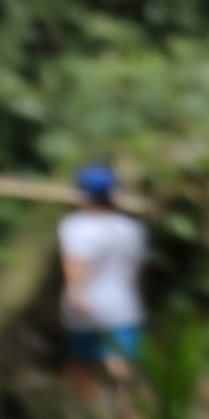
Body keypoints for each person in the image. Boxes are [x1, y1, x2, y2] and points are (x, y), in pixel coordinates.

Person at [54, 163, 149, 393]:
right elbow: (138, 270)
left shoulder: (76, 227)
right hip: (124, 306)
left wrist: (77, 296)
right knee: (120, 365)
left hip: (87, 307)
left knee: (81, 366)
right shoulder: (132, 228)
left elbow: (75, 267)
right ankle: (127, 415)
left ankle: (78, 412)